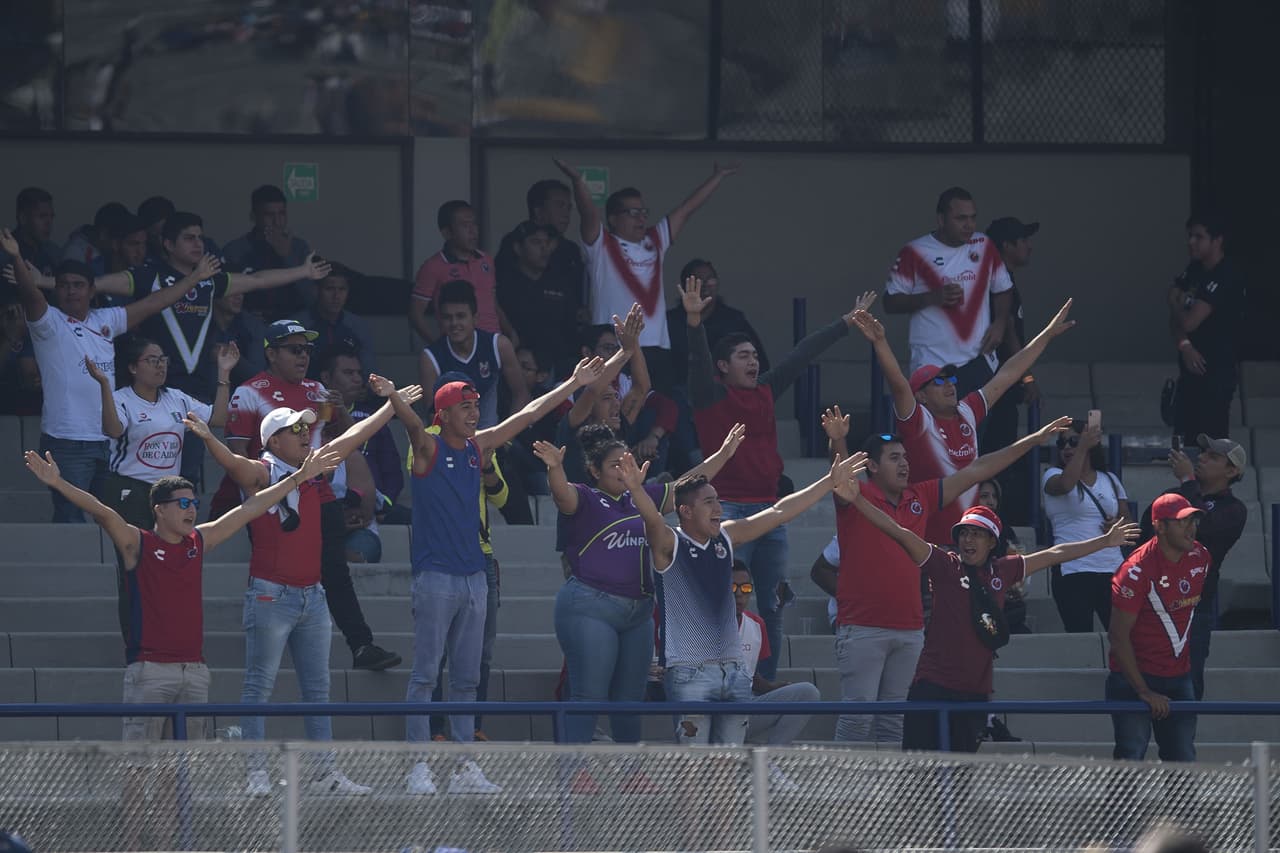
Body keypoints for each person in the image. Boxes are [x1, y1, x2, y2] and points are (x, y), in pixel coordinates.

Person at [23, 444, 341, 841]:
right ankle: (137, 847)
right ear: (159, 509)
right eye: (183, 503)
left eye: (194, 501)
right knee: (138, 768)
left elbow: (250, 509)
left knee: (181, 770)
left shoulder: (198, 543)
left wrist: (297, 477)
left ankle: (174, 845)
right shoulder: (137, 543)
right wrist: (57, 482)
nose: (192, 509)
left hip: (195, 673)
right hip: (149, 672)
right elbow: (103, 512)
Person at [383, 355, 605, 795]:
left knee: (466, 679)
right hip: (435, 577)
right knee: (426, 675)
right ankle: (418, 766)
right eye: (464, 407)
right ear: (442, 414)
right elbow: (409, 423)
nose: (473, 413)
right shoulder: (427, 447)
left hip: (474, 576)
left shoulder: (477, 448)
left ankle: (465, 766)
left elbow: (527, 414)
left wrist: (572, 384)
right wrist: (392, 397)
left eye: (475, 406)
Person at [189, 380, 420, 795]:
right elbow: (234, 465)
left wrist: (393, 405)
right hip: (270, 595)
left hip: (312, 596)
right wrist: (210, 439)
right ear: (272, 440)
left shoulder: (311, 468)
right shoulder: (262, 472)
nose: (302, 435)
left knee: (319, 689)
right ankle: (256, 774)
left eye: (303, 429)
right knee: (258, 687)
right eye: (294, 430)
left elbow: (354, 436)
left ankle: (326, 773)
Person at [843, 477, 1139, 753]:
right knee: (918, 778)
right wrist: (857, 499)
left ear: (992, 543)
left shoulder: (1004, 570)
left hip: (975, 694)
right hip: (931, 687)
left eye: (977, 534)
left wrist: (1103, 542)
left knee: (960, 781)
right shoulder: (944, 565)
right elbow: (898, 531)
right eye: (965, 533)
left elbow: (1055, 553)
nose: (968, 540)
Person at [827, 418, 1077, 745]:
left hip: (911, 629)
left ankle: (886, 797)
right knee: (857, 721)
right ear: (871, 466)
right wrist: (838, 442)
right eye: (893, 458)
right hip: (862, 627)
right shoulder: (856, 494)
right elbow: (840, 479)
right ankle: (840, 796)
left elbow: (979, 469)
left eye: (905, 457)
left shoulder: (922, 495)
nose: (904, 463)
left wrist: (1033, 439)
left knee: (895, 725)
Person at [684, 276, 867, 681]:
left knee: (771, 603)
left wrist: (845, 323)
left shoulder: (765, 390)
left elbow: (801, 355)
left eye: (754, 355)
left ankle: (761, 681)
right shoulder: (710, 393)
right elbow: (696, 359)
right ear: (722, 366)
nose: (753, 362)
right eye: (743, 356)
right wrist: (694, 321)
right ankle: (721, 676)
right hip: (724, 513)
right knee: (724, 600)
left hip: (770, 512)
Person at [629, 447, 867, 745]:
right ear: (686, 511)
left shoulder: (726, 537)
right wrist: (637, 490)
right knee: (693, 766)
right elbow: (652, 520)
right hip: (689, 672)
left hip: (734, 671)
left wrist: (828, 482)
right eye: (708, 502)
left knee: (727, 765)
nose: (718, 507)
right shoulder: (670, 543)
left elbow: (778, 511)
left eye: (718, 500)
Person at [530, 420, 745, 749]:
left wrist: (725, 454)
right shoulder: (587, 497)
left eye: (628, 461)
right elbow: (562, 495)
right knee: (589, 692)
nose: (623, 469)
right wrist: (555, 468)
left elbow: (688, 485)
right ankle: (573, 769)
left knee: (631, 697)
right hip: (591, 605)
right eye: (615, 464)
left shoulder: (644, 498)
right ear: (594, 470)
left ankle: (630, 768)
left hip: (638, 614)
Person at [1, 228, 222, 523]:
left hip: (109, 440)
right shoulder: (48, 322)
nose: (71, 291)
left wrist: (194, 278)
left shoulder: (106, 319)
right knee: (71, 519)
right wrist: (15, 256)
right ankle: (76, 571)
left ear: (92, 291)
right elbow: (31, 294)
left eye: (79, 285)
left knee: (114, 521)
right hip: (67, 441)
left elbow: (154, 303)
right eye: (64, 285)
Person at [218, 318, 401, 671]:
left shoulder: (318, 390)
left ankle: (361, 645)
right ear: (271, 354)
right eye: (294, 349)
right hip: (273, 502)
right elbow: (236, 457)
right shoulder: (248, 392)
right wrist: (259, 504)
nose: (303, 356)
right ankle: (271, 647)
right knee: (274, 575)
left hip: (320, 496)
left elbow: (350, 441)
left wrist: (342, 409)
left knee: (334, 571)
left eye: (307, 349)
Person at [853, 298, 1075, 547]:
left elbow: (1008, 373)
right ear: (921, 396)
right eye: (938, 382)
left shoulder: (967, 410)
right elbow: (898, 384)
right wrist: (881, 342)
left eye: (951, 379)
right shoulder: (918, 422)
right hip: (928, 543)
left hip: (969, 543)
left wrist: (1046, 335)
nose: (948, 384)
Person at [555, 157, 740, 391]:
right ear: (613, 218)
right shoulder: (602, 245)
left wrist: (718, 177)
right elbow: (588, 214)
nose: (641, 218)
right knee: (617, 413)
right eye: (632, 213)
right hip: (616, 347)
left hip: (657, 349)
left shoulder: (655, 241)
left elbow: (686, 210)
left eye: (644, 212)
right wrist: (578, 182)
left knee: (661, 412)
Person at [1139, 435, 1248, 700]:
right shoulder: (1172, 496)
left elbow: (1204, 530)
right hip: (1152, 604)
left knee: (1188, 680)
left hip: (1193, 609)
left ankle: (1183, 738)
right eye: (1203, 453)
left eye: (1213, 456)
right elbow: (1142, 537)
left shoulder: (1234, 509)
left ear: (1232, 470)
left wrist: (1188, 482)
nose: (1201, 458)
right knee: (1142, 678)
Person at [89, 338, 239, 528]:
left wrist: (224, 372)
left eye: (163, 360)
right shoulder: (121, 399)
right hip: (129, 487)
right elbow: (113, 430)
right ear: (133, 368)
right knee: (135, 553)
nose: (160, 366)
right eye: (152, 361)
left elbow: (218, 418)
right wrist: (104, 385)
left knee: (167, 551)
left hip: (167, 490)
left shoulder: (177, 398)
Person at [1108, 494, 1210, 762]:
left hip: (1180, 676)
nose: (1192, 528)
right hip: (1133, 680)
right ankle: (1119, 807)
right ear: (1160, 526)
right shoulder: (1135, 570)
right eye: (1182, 522)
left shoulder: (1202, 557)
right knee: (1130, 758)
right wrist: (1143, 690)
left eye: (1193, 520)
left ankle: (1185, 807)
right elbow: (1118, 637)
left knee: (1184, 759)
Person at [883, 187, 1014, 395]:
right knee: (935, 428)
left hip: (978, 362)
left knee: (975, 428)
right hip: (932, 368)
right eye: (961, 218)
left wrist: (999, 323)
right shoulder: (915, 252)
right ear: (941, 220)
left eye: (972, 218)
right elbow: (889, 302)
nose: (969, 225)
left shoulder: (984, 245)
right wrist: (932, 297)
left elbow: (1004, 289)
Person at [1043, 419, 1132, 632]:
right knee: (1080, 635)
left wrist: (1116, 525)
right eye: (1062, 443)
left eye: (1073, 441)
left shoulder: (1109, 479)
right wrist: (1082, 447)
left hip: (1112, 568)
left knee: (1122, 637)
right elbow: (1066, 485)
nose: (1067, 447)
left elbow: (1128, 522)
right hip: (1073, 569)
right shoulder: (1051, 475)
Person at [981, 216, 1042, 523]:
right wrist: (1026, 376)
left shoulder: (1003, 280)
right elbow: (1009, 335)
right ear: (1007, 246)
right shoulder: (995, 282)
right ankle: (994, 523)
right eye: (1023, 240)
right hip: (996, 387)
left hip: (1000, 385)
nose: (1029, 246)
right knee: (997, 455)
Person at [1167, 210, 1246, 445]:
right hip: (1189, 373)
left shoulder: (1226, 274)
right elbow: (1175, 319)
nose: (1191, 242)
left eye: (1199, 237)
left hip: (1215, 374)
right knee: (1184, 444)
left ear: (1217, 240)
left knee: (1212, 447)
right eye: (1190, 236)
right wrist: (1185, 345)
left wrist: (1175, 302)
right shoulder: (1193, 270)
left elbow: (1189, 320)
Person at [732, 562, 821, 754]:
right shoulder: (705, 624)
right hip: (715, 711)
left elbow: (750, 675)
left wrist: (772, 687)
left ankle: (770, 759)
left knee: (808, 693)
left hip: (745, 708)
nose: (739, 594)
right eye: (732, 587)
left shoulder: (756, 624)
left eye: (745, 588)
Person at [316, 343, 408, 527]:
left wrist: (384, 505)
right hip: (329, 505)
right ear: (326, 377)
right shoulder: (312, 416)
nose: (357, 379)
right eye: (348, 373)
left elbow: (392, 470)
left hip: (374, 505)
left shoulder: (374, 417)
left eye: (359, 373)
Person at [419, 279, 527, 429]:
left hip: (492, 434)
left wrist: (506, 438)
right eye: (447, 317)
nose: (454, 323)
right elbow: (433, 414)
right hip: (451, 438)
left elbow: (521, 394)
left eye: (461, 316)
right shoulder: (431, 358)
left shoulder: (499, 345)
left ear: (475, 318)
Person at [411, 200, 514, 344]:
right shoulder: (433, 266)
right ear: (447, 233)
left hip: (493, 344)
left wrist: (510, 333)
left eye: (474, 224)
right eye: (465, 225)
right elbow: (416, 314)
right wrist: (437, 346)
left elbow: (492, 302)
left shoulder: (487, 260)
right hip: (459, 347)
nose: (473, 231)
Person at [496, 220, 582, 377]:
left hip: (558, 369)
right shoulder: (504, 286)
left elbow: (571, 329)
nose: (544, 248)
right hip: (519, 369)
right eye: (536, 242)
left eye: (547, 242)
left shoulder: (561, 283)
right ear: (518, 248)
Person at [221, 184, 315, 320]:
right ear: (254, 216)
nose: (277, 222)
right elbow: (226, 298)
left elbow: (310, 299)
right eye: (269, 215)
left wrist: (287, 256)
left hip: (293, 321)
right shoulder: (236, 249)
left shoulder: (299, 247)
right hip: (249, 322)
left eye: (282, 214)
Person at [666, 258, 771, 376]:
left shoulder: (734, 320)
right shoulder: (670, 322)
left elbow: (761, 365)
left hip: (727, 392)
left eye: (710, 279)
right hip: (680, 391)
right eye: (698, 280)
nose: (705, 285)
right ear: (686, 286)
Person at [296, 265, 377, 378]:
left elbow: (369, 371)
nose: (336, 296)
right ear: (316, 291)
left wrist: (365, 388)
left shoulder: (358, 326)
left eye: (342, 289)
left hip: (350, 392)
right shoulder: (298, 325)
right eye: (329, 289)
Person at [9, 187, 59, 277]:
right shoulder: (5, 252)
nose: (49, 223)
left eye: (52, 217)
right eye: (42, 216)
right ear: (23, 218)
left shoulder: (53, 253)